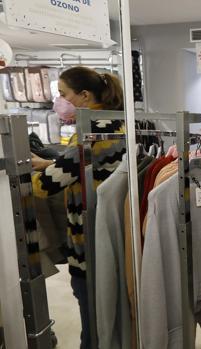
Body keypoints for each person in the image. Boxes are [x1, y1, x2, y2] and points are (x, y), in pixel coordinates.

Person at [31, 67, 125, 349]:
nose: (58, 101)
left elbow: (44, 187)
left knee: (92, 324)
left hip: (90, 244)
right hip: (108, 234)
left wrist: (27, 174)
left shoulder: (90, 131)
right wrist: (49, 164)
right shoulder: (113, 122)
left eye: (63, 94)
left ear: (84, 95)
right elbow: (90, 165)